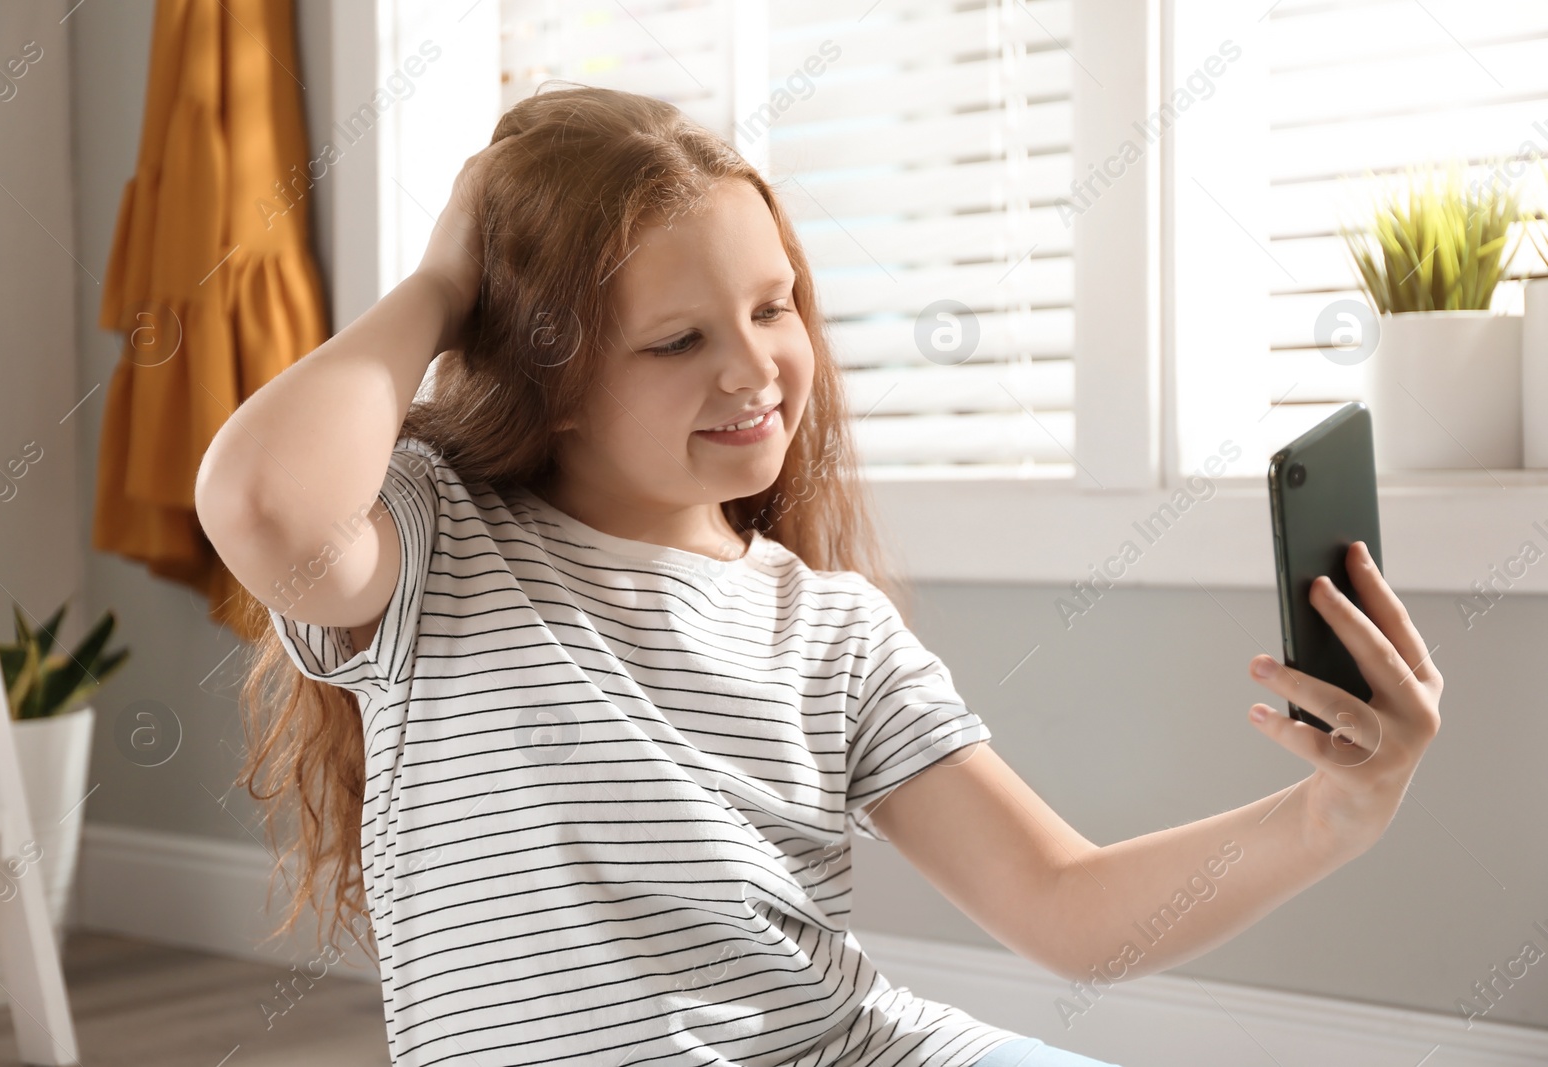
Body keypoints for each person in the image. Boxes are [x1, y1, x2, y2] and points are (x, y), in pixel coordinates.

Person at [195, 84, 1442, 1067]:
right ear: (545, 372)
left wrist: (1332, 811)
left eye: (774, 307)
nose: (755, 370)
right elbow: (260, 500)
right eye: (678, 338)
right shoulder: (436, 543)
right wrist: (438, 286)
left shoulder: (828, 625)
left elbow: (1071, 908)